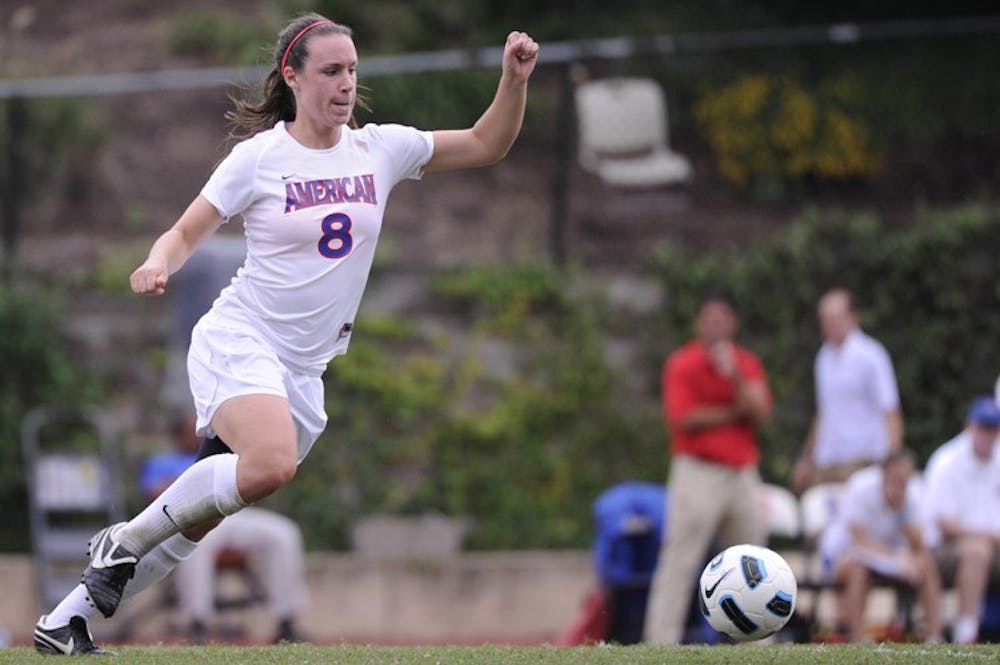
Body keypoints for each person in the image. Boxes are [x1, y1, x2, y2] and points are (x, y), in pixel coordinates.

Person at [32, 13, 538, 655]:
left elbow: (486, 143)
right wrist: (158, 262)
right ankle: (121, 542)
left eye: (352, 70)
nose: (346, 83)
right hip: (241, 340)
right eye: (331, 71)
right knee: (270, 464)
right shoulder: (261, 158)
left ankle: (62, 624)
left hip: (303, 370)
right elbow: (186, 231)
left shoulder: (380, 148)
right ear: (292, 78)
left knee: (191, 530)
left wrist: (513, 80)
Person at [643, 294, 773, 645]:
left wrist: (733, 379)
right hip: (697, 472)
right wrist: (734, 412)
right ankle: (661, 643)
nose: (715, 324)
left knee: (751, 564)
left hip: (742, 472)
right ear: (698, 323)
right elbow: (684, 419)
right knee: (680, 561)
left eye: (723, 317)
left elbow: (759, 411)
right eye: (709, 318)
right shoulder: (683, 363)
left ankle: (758, 644)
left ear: (733, 323)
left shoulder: (745, 364)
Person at [140, 411, 306, 644]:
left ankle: (286, 622)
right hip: (191, 519)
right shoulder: (160, 462)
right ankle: (197, 624)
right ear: (179, 435)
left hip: (230, 514)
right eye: (193, 429)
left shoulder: (220, 453)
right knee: (196, 542)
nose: (201, 433)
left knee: (283, 533)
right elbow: (155, 495)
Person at [817, 449, 942, 643]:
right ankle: (858, 637)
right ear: (884, 473)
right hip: (845, 554)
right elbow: (859, 541)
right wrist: (898, 558)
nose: (902, 483)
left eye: (905, 478)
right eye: (897, 477)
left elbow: (920, 545)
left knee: (926, 563)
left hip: (888, 559)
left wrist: (904, 517)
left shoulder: (913, 492)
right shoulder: (861, 486)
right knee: (858, 568)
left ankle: (935, 635)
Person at [792, 288, 903, 494]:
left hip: (862, 462)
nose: (828, 325)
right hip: (826, 463)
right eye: (824, 319)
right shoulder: (823, 357)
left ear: (852, 317)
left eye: (834, 318)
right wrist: (806, 459)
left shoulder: (871, 355)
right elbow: (824, 412)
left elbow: (890, 410)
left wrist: (892, 463)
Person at [923, 396, 1000, 644]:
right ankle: (966, 633)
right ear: (970, 426)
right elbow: (946, 527)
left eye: (993, 428)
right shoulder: (946, 461)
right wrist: (989, 538)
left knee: (980, 550)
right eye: (983, 427)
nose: (988, 435)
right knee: (977, 551)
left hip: (993, 548)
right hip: (944, 550)